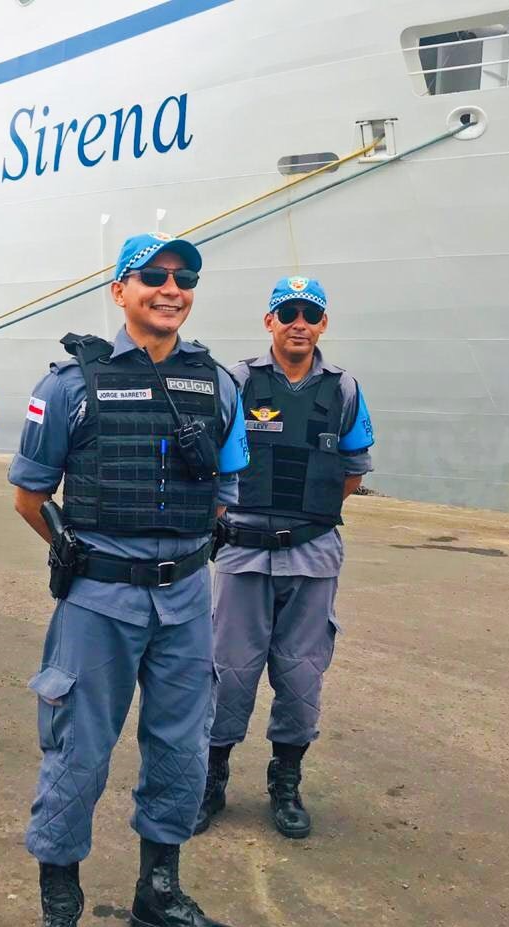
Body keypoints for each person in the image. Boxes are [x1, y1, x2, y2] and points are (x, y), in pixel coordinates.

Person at [10, 233, 248, 927]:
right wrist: (74, 552)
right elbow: (28, 494)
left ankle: (159, 895)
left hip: (185, 602)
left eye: (185, 277)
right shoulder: (69, 385)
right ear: (120, 290)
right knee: (77, 752)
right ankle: (60, 908)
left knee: (181, 749)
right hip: (99, 601)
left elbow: (224, 490)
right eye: (153, 276)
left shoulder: (220, 385)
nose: (170, 288)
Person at [196, 276, 374, 840]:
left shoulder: (343, 390)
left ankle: (286, 781)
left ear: (324, 324)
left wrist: (306, 517)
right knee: (230, 672)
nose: (300, 323)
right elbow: (212, 464)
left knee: (301, 675)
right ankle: (212, 779)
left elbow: (352, 469)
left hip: (313, 554)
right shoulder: (237, 383)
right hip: (243, 554)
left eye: (311, 314)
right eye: (288, 312)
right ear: (269, 321)